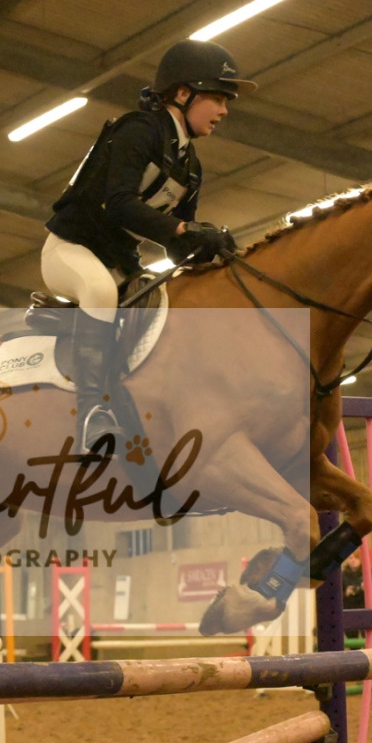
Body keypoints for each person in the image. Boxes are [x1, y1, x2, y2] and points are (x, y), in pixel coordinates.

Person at [43, 38, 253, 454]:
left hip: (120, 263)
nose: (224, 110)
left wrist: (208, 246)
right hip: (70, 249)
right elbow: (120, 203)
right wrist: (183, 229)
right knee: (99, 292)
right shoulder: (137, 130)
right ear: (182, 94)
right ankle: (91, 415)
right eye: (216, 98)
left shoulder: (191, 167)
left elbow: (177, 246)